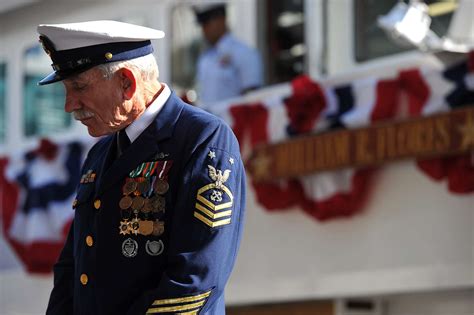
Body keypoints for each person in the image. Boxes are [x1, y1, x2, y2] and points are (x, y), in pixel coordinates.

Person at [38, 20, 246, 315]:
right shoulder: (99, 154)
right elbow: (72, 269)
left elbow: (195, 280)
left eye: (79, 87)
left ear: (127, 82)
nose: (69, 105)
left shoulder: (202, 139)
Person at [193, 4, 263, 107]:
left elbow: (252, 98)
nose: (204, 30)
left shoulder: (244, 53)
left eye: (207, 23)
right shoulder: (205, 58)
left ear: (222, 19)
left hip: (232, 121)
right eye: (203, 25)